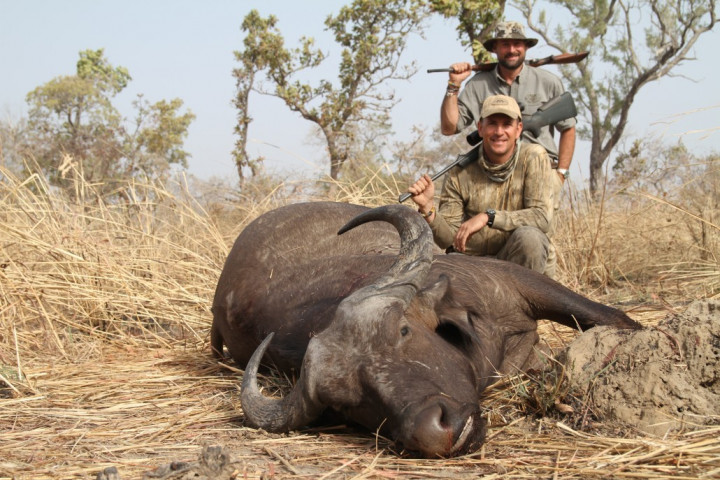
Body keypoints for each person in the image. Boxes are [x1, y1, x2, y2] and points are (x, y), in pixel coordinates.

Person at [409, 94, 554, 275]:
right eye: (492, 123)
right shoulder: (459, 171)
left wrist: (488, 217)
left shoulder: (534, 156)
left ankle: (529, 301)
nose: (499, 132)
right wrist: (428, 209)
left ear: (519, 129)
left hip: (519, 268)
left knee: (530, 238)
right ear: (480, 128)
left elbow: (542, 218)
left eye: (506, 124)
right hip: (475, 269)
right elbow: (447, 240)